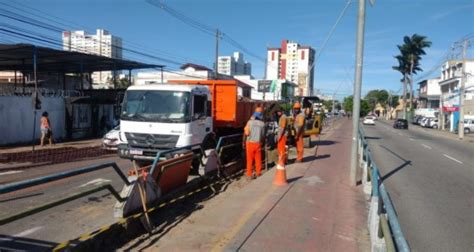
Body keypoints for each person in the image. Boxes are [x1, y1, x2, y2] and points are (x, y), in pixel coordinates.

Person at [243, 107, 265, 179]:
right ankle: (258, 172)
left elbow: (246, 133)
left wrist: (243, 142)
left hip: (250, 143)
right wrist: (262, 143)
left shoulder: (249, 122)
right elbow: (263, 136)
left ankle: (249, 174)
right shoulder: (262, 124)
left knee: (249, 160)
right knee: (258, 159)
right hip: (258, 143)